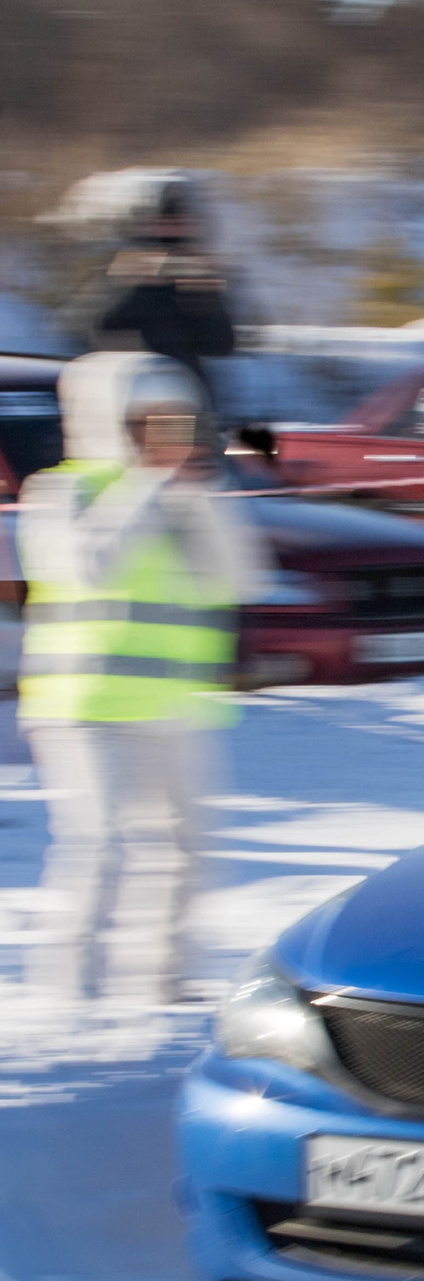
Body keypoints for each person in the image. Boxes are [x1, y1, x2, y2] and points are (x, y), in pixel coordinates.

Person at [15, 352, 268, 1006]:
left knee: (186, 852)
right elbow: (92, 563)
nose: (161, 435)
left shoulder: (179, 494)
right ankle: (69, 994)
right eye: (145, 421)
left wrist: (202, 501)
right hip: (83, 703)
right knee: (97, 846)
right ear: (109, 421)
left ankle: (159, 985)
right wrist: (147, 484)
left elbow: (238, 580)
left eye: (173, 422)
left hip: (173, 705)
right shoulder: (63, 490)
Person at [82, 179, 239, 410]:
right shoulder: (127, 268)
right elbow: (100, 330)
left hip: (187, 394)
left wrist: (202, 297)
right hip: (137, 393)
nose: (173, 230)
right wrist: (144, 286)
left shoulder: (196, 271)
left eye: (179, 223)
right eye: (165, 222)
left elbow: (222, 344)